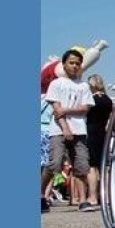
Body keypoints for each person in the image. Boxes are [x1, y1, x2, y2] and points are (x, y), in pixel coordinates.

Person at [40, 49, 95, 213]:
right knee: (54, 163)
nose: (74, 66)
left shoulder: (83, 86)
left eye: (78, 63)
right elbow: (57, 110)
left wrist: (68, 109)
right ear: (64, 64)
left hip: (79, 129)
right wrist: (65, 128)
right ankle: (41, 193)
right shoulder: (56, 84)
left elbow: (85, 108)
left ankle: (83, 200)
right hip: (58, 130)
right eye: (71, 63)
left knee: (81, 165)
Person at [83, 74, 113, 212]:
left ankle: (93, 196)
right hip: (103, 133)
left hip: (91, 132)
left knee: (92, 166)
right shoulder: (108, 100)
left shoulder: (91, 99)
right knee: (103, 165)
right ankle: (106, 196)